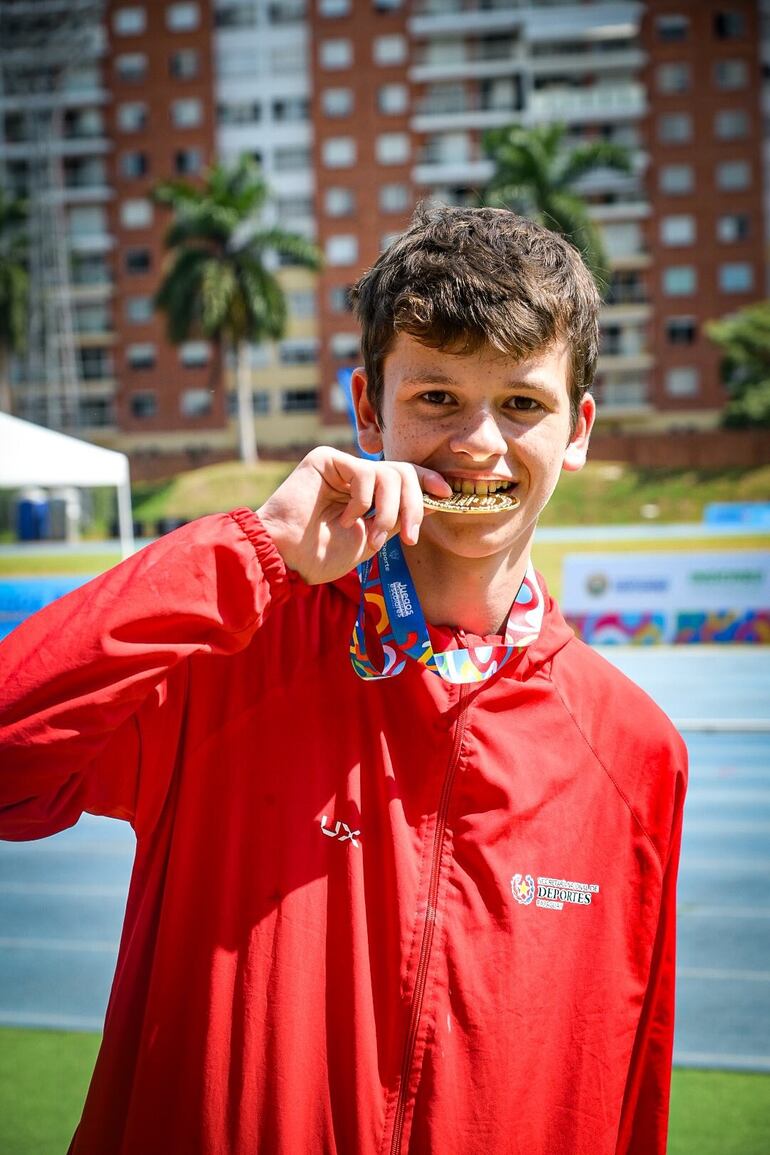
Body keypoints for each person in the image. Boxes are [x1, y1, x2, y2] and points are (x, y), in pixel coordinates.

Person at [0, 205, 687, 1155]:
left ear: (577, 431)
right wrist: (253, 554)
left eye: (522, 404)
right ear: (368, 410)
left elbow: (627, 1097)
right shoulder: (228, 652)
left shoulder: (636, 753)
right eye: (437, 397)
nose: (482, 442)